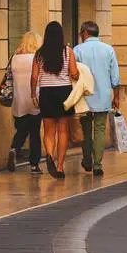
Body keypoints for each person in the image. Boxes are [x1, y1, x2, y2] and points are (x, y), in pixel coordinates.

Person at [30, 21, 80, 179]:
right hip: (64, 91)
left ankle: (50, 155)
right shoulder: (67, 51)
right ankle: (59, 167)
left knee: (48, 130)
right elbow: (73, 73)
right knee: (63, 130)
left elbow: (34, 77)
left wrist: (33, 93)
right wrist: (79, 74)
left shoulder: (39, 54)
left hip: (46, 92)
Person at [74, 21, 121, 177]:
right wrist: (116, 97)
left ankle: (87, 159)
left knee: (86, 129)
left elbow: (73, 74)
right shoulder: (108, 50)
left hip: (84, 96)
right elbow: (115, 77)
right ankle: (97, 164)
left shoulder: (78, 50)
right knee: (100, 129)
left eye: (81, 33)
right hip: (103, 95)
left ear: (85, 32)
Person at [6, 31, 42, 174]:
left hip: (19, 100)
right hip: (35, 99)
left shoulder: (14, 58)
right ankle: (34, 165)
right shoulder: (37, 58)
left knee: (21, 129)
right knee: (34, 132)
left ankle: (14, 148)